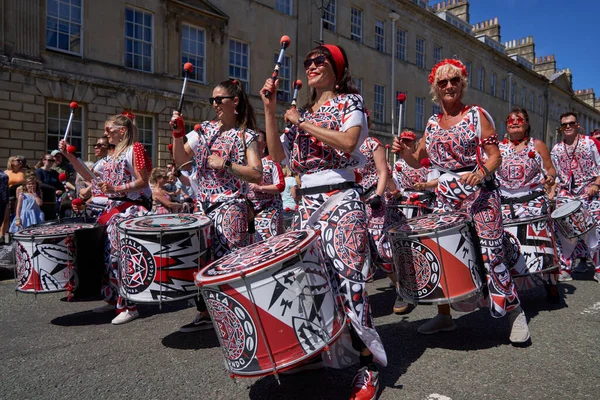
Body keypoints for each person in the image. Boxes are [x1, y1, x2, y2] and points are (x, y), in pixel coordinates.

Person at [261, 44, 385, 399]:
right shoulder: (303, 110)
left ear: (336, 68)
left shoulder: (350, 102)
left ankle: (369, 366)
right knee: (312, 283)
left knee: (351, 284)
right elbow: (277, 155)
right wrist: (270, 111)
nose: (312, 66)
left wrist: (302, 122)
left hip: (341, 198)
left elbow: (348, 143)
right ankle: (317, 353)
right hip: (305, 204)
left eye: (320, 61)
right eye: (308, 62)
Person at [392, 58, 530, 344]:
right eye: (443, 82)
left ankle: (515, 312)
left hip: (480, 195)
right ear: (436, 88)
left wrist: (480, 173)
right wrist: (403, 152)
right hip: (446, 195)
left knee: (492, 254)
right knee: (445, 253)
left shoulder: (477, 115)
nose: (449, 86)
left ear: (462, 84)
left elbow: (495, 157)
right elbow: (418, 160)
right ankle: (444, 316)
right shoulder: (431, 123)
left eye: (455, 81)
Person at [171, 79, 263, 332]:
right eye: (212, 100)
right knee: (200, 260)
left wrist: (227, 165)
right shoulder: (203, 131)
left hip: (231, 204)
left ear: (235, 102)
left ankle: (239, 315)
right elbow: (180, 160)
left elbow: (257, 174)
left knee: (230, 261)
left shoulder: (246, 135)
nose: (214, 104)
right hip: (203, 206)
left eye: (219, 99)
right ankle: (206, 313)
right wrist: (178, 134)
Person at [59, 113, 152, 325]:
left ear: (122, 130)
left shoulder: (133, 149)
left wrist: (116, 188)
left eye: (109, 129)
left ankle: (129, 305)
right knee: (108, 258)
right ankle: (112, 300)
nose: (105, 133)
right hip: (113, 212)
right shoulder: (110, 158)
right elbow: (90, 176)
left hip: (129, 212)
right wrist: (70, 157)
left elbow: (143, 181)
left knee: (121, 259)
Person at [496, 107, 559, 301]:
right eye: (510, 120)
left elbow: (551, 170)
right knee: (504, 242)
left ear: (527, 124)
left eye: (519, 119)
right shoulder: (497, 148)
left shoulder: (537, 145)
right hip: (505, 201)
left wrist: (549, 178)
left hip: (532, 199)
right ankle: (507, 281)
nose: (514, 122)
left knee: (542, 241)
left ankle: (550, 280)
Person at [356, 114, 409, 315]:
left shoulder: (372, 143)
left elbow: (383, 171)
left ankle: (401, 288)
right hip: (354, 204)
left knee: (380, 248)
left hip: (374, 202)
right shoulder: (344, 145)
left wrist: (379, 195)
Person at [550, 112, 600, 283]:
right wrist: (552, 188)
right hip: (567, 193)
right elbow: (555, 175)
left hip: (589, 190)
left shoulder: (589, 143)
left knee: (593, 230)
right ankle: (565, 268)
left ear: (578, 125)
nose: (568, 126)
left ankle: (598, 267)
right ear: (561, 128)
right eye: (564, 124)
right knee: (563, 231)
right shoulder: (556, 149)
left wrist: (595, 185)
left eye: (571, 123)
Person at [247, 130, 285, 241]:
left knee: (268, 243)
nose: (253, 141)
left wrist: (260, 188)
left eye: (257, 139)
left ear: (264, 143)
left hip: (269, 209)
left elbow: (280, 186)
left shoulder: (271, 162)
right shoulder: (244, 163)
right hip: (249, 212)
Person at [1, 155, 29, 237]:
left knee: (18, 215)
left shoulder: (25, 171)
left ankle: (17, 234)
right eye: (18, 160)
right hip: (8, 196)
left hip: (21, 196)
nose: (21, 162)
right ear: (12, 162)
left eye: (21, 160)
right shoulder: (6, 172)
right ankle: (3, 236)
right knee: (6, 217)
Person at [281, 166, 298, 231]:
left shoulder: (280, 182)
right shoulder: (291, 179)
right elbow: (295, 196)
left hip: (283, 208)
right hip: (292, 207)